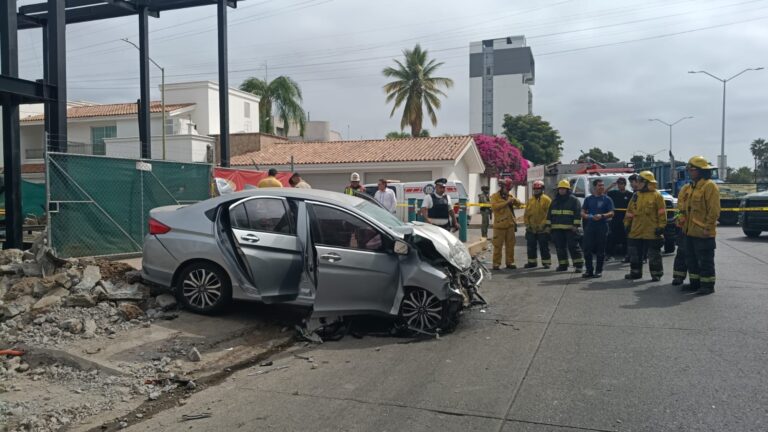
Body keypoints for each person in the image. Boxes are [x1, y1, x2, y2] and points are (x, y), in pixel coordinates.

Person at [681, 156, 720, 295]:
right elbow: (685, 209)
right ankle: (695, 284)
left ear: (701, 171)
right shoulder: (691, 187)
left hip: (703, 232)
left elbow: (714, 210)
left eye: (692, 170)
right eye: (689, 170)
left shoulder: (709, 186)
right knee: (691, 260)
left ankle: (707, 285)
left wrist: (708, 228)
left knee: (705, 261)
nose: (690, 172)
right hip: (690, 232)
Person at [623, 171, 666, 281]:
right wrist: (627, 224)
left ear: (646, 182)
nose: (637, 183)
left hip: (652, 230)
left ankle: (656, 274)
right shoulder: (636, 195)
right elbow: (630, 211)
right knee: (634, 254)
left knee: (654, 255)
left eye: (639, 181)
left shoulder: (657, 196)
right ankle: (635, 273)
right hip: (636, 230)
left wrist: (661, 226)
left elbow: (662, 213)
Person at [546, 179, 584, 273]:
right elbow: (549, 214)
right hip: (556, 229)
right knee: (560, 248)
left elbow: (577, 213)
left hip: (570, 229)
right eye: (560, 189)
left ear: (568, 190)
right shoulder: (554, 201)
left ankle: (578, 265)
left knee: (573, 247)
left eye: (564, 189)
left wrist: (575, 225)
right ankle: (563, 265)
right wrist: (548, 226)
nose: (562, 190)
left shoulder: (574, 200)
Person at [581, 179, 615, 278]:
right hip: (590, 226)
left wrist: (602, 215)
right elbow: (582, 211)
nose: (602, 187)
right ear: (595, 187)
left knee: (601, 250)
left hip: (602, 226)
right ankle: (589, 270)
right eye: (600, 185)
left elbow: (612, 213)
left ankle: (598, 271)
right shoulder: (588, 199)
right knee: (587, 249)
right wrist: (586, 216)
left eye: (603, 185)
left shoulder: (607, 199)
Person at [490, 178, 523, 270]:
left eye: (509, 189)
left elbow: (519, 205)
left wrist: (514, 200)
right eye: (506, 189)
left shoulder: (510, 196)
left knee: (510, 245)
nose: (508, 190)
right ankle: (496, 264)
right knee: (498, 246)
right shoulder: (495, 196)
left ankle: (510, 262)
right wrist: (506, 202)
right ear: (502, 187)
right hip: (499, 225)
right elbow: (494, 207)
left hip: (510, 225)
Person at [524, 180, 552, 269]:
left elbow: (549, 214)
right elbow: (526, 214)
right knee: (531, 246)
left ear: (542, 189)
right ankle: (532, 262)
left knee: (544, 246)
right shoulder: (530, 200)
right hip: (531, 228)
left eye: (538, 189)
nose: (536, 190)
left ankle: (546, 262)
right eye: (535, 189)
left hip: (542, 229)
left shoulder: (547, 200)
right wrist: (527, 225)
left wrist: (543, 225)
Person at [671, 182, 692, 285]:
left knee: (696, 255)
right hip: (684, 228)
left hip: (697, 228)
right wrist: (679, 220)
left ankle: (696, 280)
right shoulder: (685, 189)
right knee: (681, 253)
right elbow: (679, 207)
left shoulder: (706, 188)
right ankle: (678, 276)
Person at [606, 177, 632, 259]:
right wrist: (611, 186)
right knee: (611, 236)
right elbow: (603, 193)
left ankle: (626, 255)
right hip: (615, 218)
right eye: (618, 184)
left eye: (621, 184)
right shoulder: (613, 193)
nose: (620, 185)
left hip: (625, 219)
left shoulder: (630, 194)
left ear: (625, 184)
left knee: (625, 237)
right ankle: (609, 254)